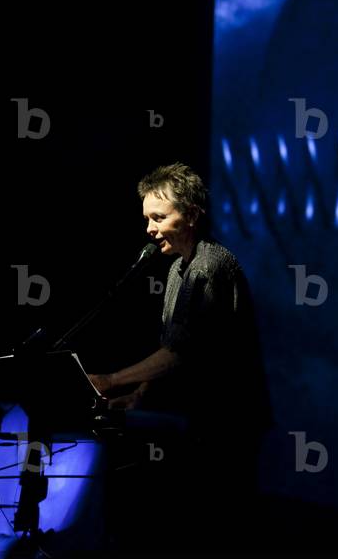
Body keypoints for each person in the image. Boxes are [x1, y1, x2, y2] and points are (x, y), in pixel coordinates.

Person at [88, 162, 272, 537]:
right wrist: (140, 393)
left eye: (158, 217)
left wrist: (110, 380)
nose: (149, 229)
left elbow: (181, 353)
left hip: (226, 427)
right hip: (201, 422)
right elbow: (171, 346)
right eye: (147, 218)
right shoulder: (177, 269)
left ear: (191, 215)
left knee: (216, 526)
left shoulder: (210, 266)